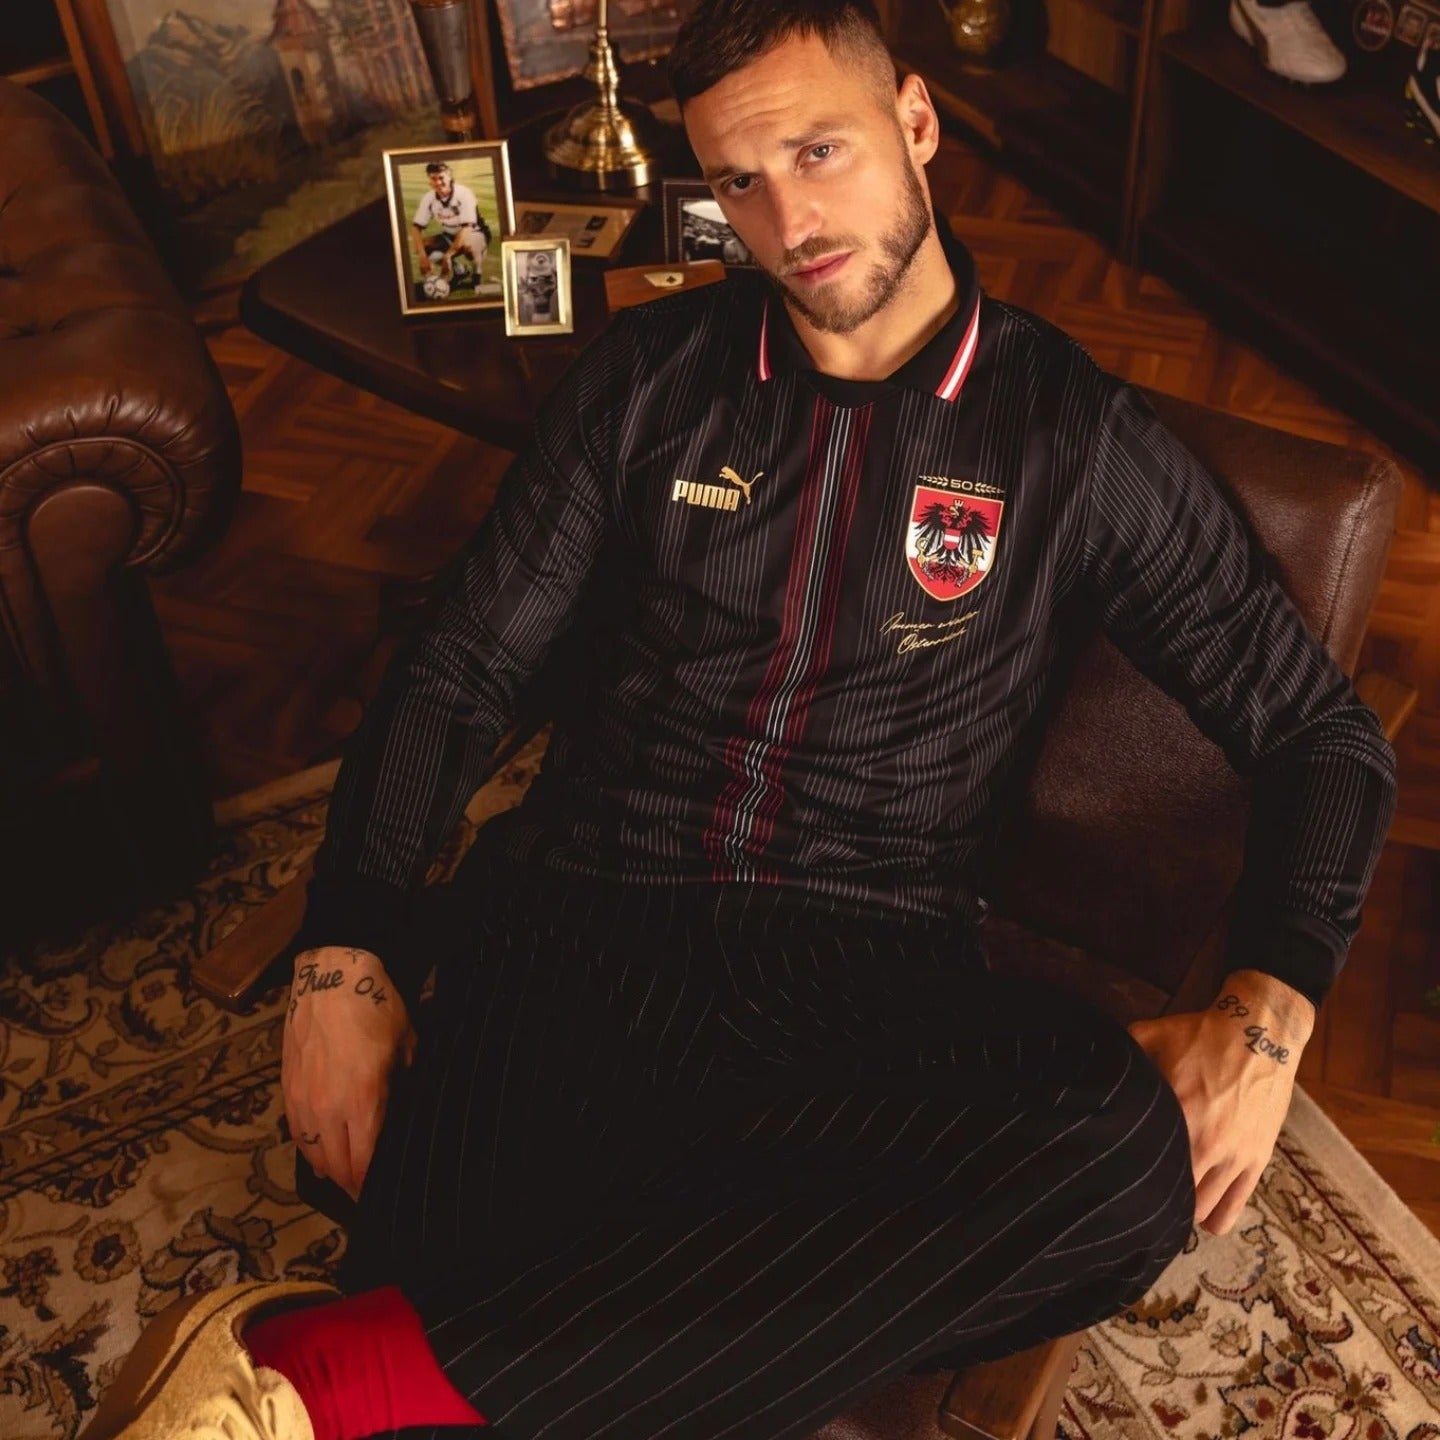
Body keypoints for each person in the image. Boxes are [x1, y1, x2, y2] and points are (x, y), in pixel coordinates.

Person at [86, 2, 1397, 1438]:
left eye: (820, 150)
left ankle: (324, 1364)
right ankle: (379, 1366)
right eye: (739, 179)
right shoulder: (649, 379)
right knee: (479, 1274)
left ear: (915, 121)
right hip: (588, 916)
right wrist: (346, 949)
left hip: (867, 964)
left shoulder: (1070, 437)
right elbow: (461, 665)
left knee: (1122, 1165)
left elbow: (1321, 739)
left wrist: (1272, 1009)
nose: (789, 220)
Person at [412, 161, 491, 293]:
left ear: (449, 177)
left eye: (441, 178)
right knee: (423, 246)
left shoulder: (464, 193)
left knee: (468, 246)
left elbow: (467, 228)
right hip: (450, 234)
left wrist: (448, 256)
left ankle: (477, 274)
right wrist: (422, 257)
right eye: (433, 178)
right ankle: (460, 271)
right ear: (429, 181)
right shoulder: (429, 198)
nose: (438, 182)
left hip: (475, 233)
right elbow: (416, 228)